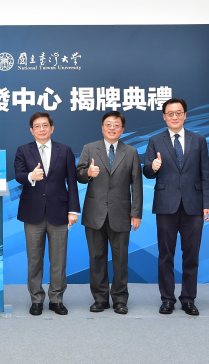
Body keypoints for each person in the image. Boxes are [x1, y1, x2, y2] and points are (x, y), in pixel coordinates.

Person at [143, 98, 209, 316]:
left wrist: (208, 204)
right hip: (166, 205)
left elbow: (205, 173)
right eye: (170, 113)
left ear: (185, 115)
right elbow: (147, 171)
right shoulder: (155, 140)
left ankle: (188, 299)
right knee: (165, 254)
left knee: (191, 255)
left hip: (194, 205)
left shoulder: (199, 140)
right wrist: (153, 167)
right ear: (164, 116)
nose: (174, 117)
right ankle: (167, 299)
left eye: (178, 113)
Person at [76, 111, 143, 315]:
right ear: (102, 127)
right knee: (96, 258)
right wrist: (88, 173)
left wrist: (136, 213)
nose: (112, 128)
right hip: (95, 213)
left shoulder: (131, 152)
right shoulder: (89, 148)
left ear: (122, 129)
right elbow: (78, 174)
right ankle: (100, 299)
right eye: (108, 124)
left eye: (116, 125)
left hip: (121, 213)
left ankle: (120, 299)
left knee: (121, 259)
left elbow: (136, 184)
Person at [14, 112, 80, 316]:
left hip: (59, 211)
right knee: (34, 260)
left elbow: (72, 182)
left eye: (45, 125)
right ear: (31, 130)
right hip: (32, 212)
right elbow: (18, 175)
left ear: (52, 128)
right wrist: (30, 176)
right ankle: (36, 300)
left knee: (58, 259)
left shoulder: (65, 150)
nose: (41, 129)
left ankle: (56, 299)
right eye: (37, 126)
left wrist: (73, 210)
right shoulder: (23, 150)